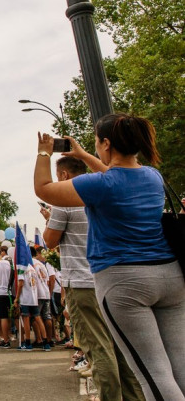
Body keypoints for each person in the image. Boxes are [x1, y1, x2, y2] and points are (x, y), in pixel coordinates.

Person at [34, 114, 185, 400]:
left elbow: (44, 189)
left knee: (153, 371)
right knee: (179, 367)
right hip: (170, 275)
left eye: (96, 142)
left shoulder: (99, 185)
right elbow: (116, 175)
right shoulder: (153, 176)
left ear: (106, 143)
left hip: (125, 281)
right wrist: (84, 155)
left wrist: (43, 152)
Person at [40, 153, 145, 399]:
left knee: (98, 347)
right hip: (112, 278)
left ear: (64, 175)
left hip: (82, 282)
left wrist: (50, 219)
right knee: (120, 346)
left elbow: (50, 241)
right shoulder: (104, 194)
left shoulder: (65, 200)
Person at [14, 246, 46, 352]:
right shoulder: (32, 268)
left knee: (26, 319)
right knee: (38, 318)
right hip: (34, 297)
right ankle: (45, 342)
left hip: (25, 298)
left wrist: (16, 298)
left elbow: (20, 284)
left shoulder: (22, 268)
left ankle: (27, 342)